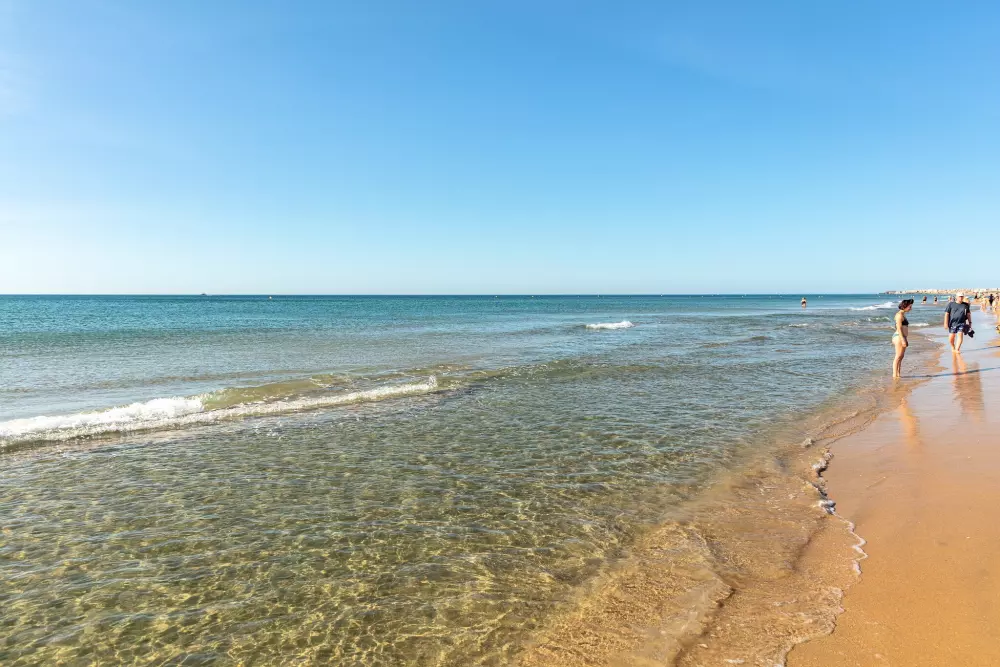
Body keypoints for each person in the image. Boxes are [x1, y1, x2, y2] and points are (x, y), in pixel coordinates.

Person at [892, 299, 914, 378]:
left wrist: (905, 338)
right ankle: (895, 376)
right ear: (905, 306)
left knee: (901, 357)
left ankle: (898, 374)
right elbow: (899, 328)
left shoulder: (902, 314)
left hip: (902, 337)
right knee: (898, 357)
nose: (910, 308)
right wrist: (902, 339)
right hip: (899, 337)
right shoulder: (899, 315)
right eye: (909, 307)